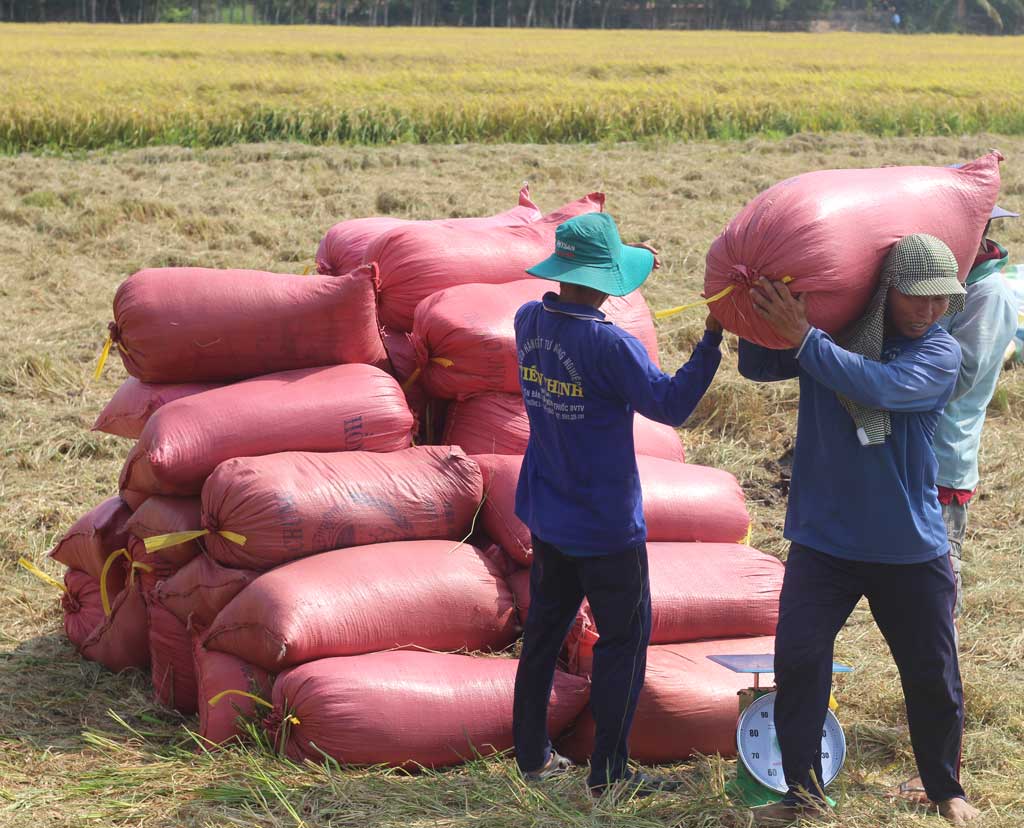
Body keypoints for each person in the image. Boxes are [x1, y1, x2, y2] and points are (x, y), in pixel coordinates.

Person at [737, 234, 979, 826]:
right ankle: (803, 795)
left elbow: (879, 388)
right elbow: (759, 363)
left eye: (940, 300)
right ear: (884, 292)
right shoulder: (832, 338)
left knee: (932, 673)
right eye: (914, 298)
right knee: (799, 664)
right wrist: (752, 307)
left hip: (907, 545)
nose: (927, 311)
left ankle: (945, 789)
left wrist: (808, 339)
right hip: (824, 540)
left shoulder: (938, 355)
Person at [511, 212, 723, 797]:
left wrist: (627, 267)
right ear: (606, 279)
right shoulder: (611, 345)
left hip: (548, 514)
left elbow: (578, 309)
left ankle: (531, 755)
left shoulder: (528, 319)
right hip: (604, 527)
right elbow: (672, 404)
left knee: (544, 637)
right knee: (624, 643)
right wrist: (711, 340)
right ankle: (609, 773)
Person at [896, 204, 1018, 804]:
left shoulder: (988, 296)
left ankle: (941, 760)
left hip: (941, 466)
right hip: (904, 461)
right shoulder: (952, 288)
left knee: (935, 610)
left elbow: (959, 377)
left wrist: (913, 334)